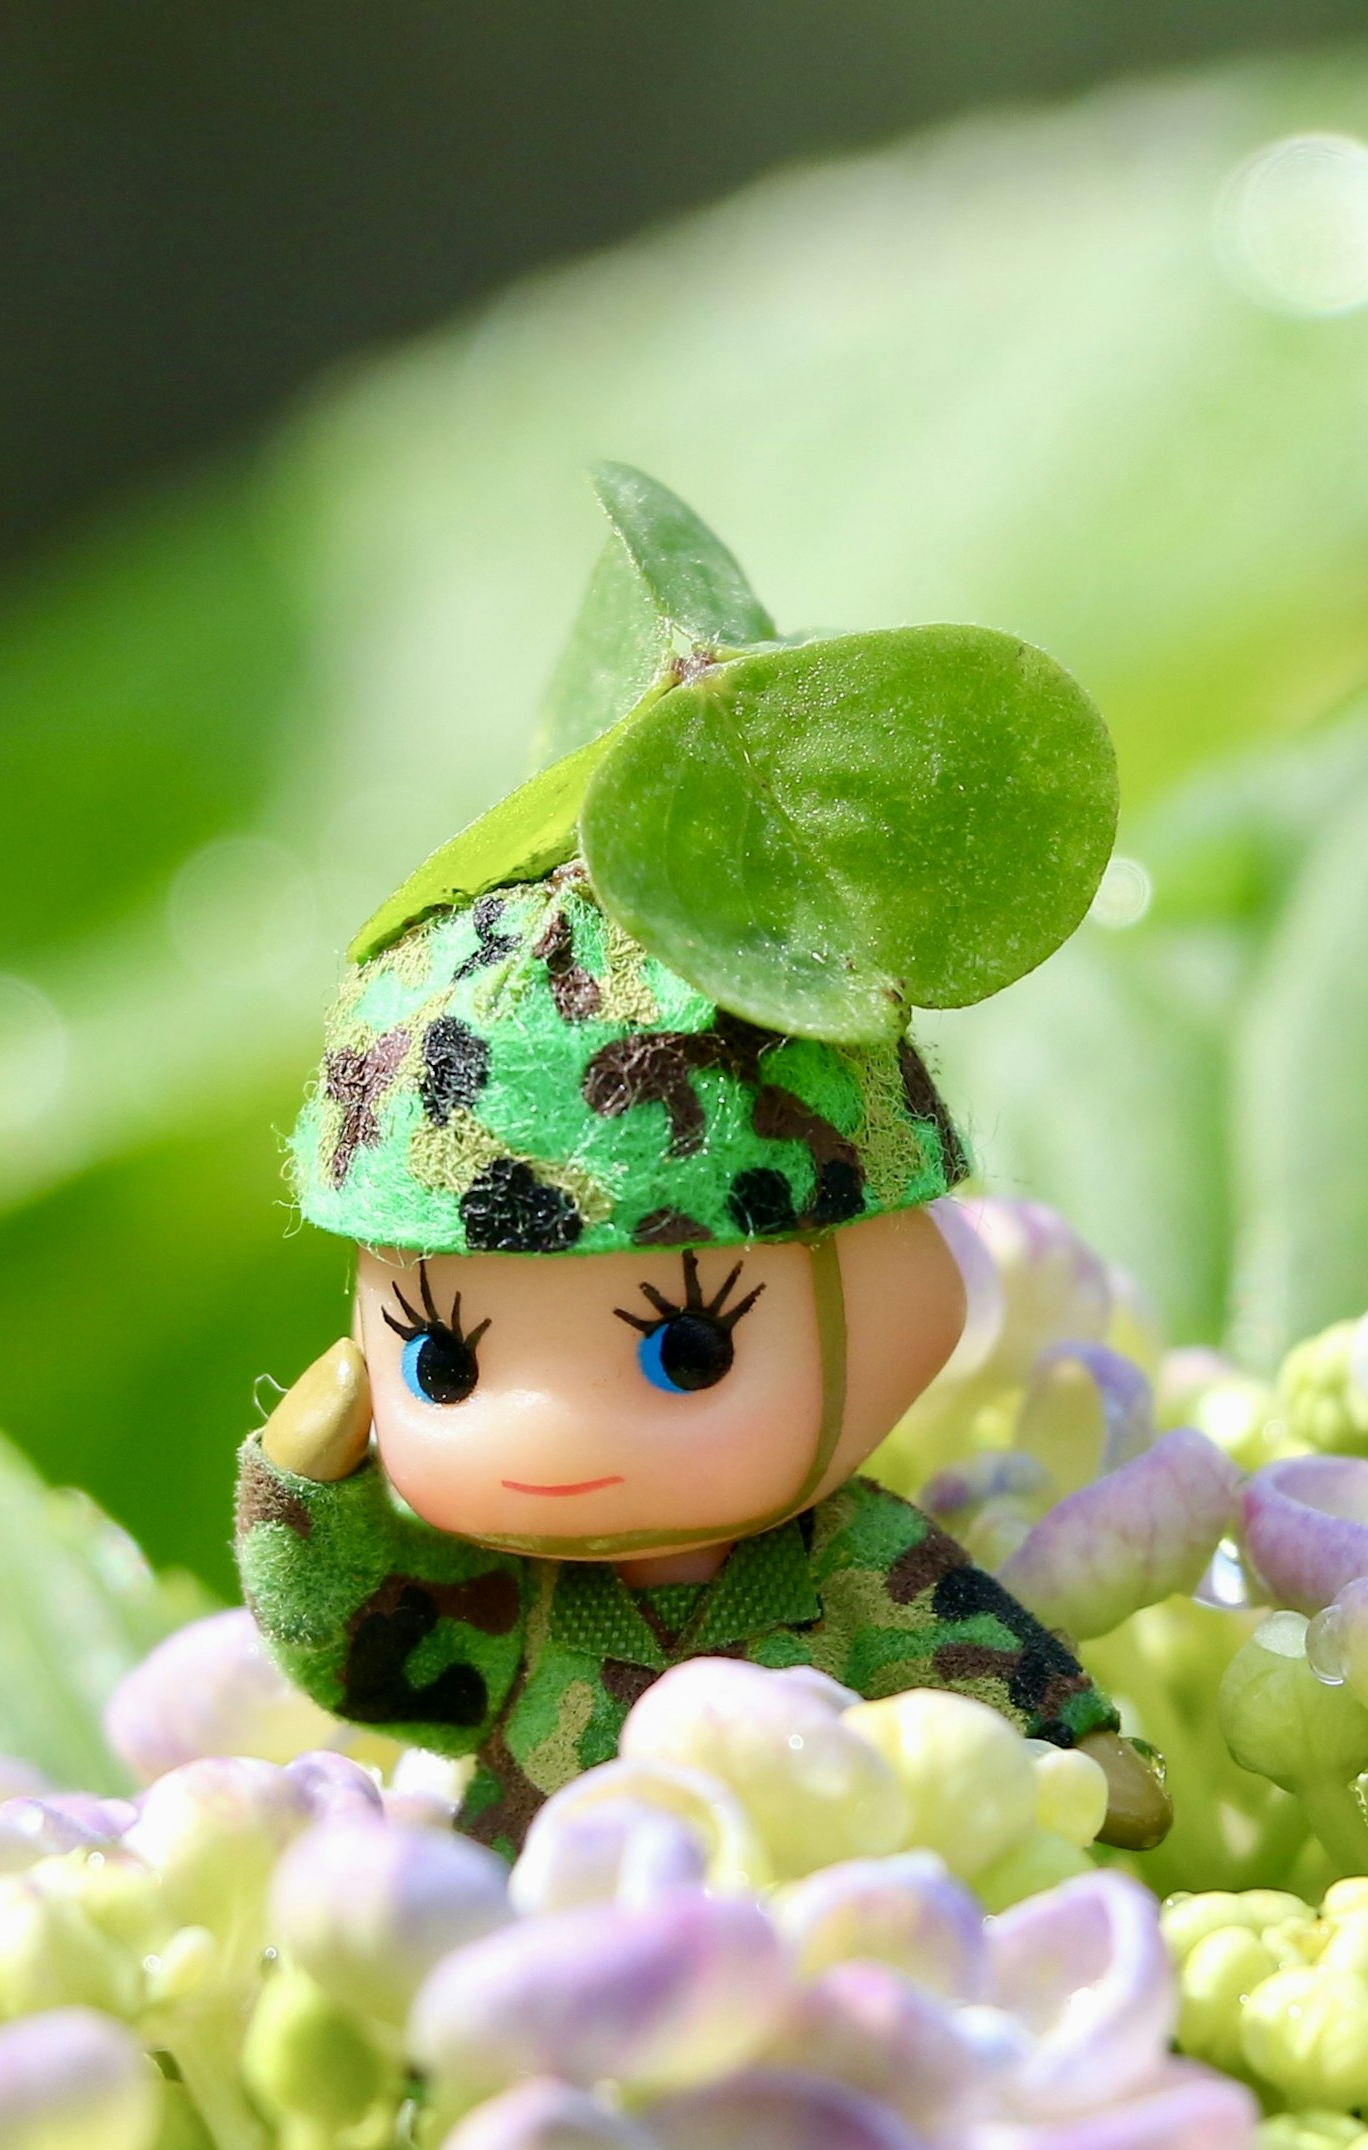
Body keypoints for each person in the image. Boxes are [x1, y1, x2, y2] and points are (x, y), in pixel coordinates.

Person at [231, 468, 1167, 1849]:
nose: (545, 1434)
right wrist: (303, 1498)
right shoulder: (523, 1601)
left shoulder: (843, 1567)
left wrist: (1076, 1751)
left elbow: (966, 1649)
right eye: (446, 1360)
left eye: (686, 1349)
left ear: (900, 1302)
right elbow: (375, 1664)